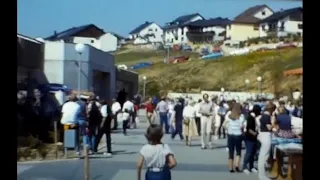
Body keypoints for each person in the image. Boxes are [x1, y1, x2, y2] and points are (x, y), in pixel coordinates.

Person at [223, 103, 245, 173]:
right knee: (238, 151)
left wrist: (228, 128)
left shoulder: (229, 116)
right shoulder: (241, 116)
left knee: (231, 151)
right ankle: (237, 166)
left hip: (230, 134)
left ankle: (230, 168)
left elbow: (223, 125)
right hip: (238, 135)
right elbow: (242, 126)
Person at [257, 103, 275, 180]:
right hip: (266, 135)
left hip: (262, 134)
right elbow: (269, 128)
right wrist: (273, 122)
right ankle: (262, 175)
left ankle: (262, 174)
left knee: (263, 156)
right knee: (263, 156)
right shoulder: (267, 116)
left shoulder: (262, 115)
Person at [243, 105, 261, 175]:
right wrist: (255, 134)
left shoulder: (253, 117)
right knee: (249, 152)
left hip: (253, 137)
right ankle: (245, 167)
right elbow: (249, 129)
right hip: (249, 137)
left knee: (253, 152)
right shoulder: (250, 118)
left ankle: (251, 166)